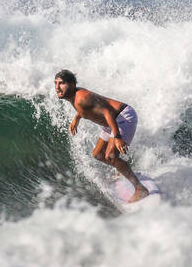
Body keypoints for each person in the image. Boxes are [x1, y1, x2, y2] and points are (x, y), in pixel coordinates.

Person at [54, 69, 150, 204]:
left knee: (110, 156)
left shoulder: (82, 98)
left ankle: (141, 189)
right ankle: (122, 168)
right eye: (56, 83)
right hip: (111, 122)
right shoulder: (74, 96)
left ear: (72, 85)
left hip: (121, 117)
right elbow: (92, 107)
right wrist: (77, 118)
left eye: (61, 83)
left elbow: (108, 111)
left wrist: (117, 136)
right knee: (98, 154)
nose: (57, 87)